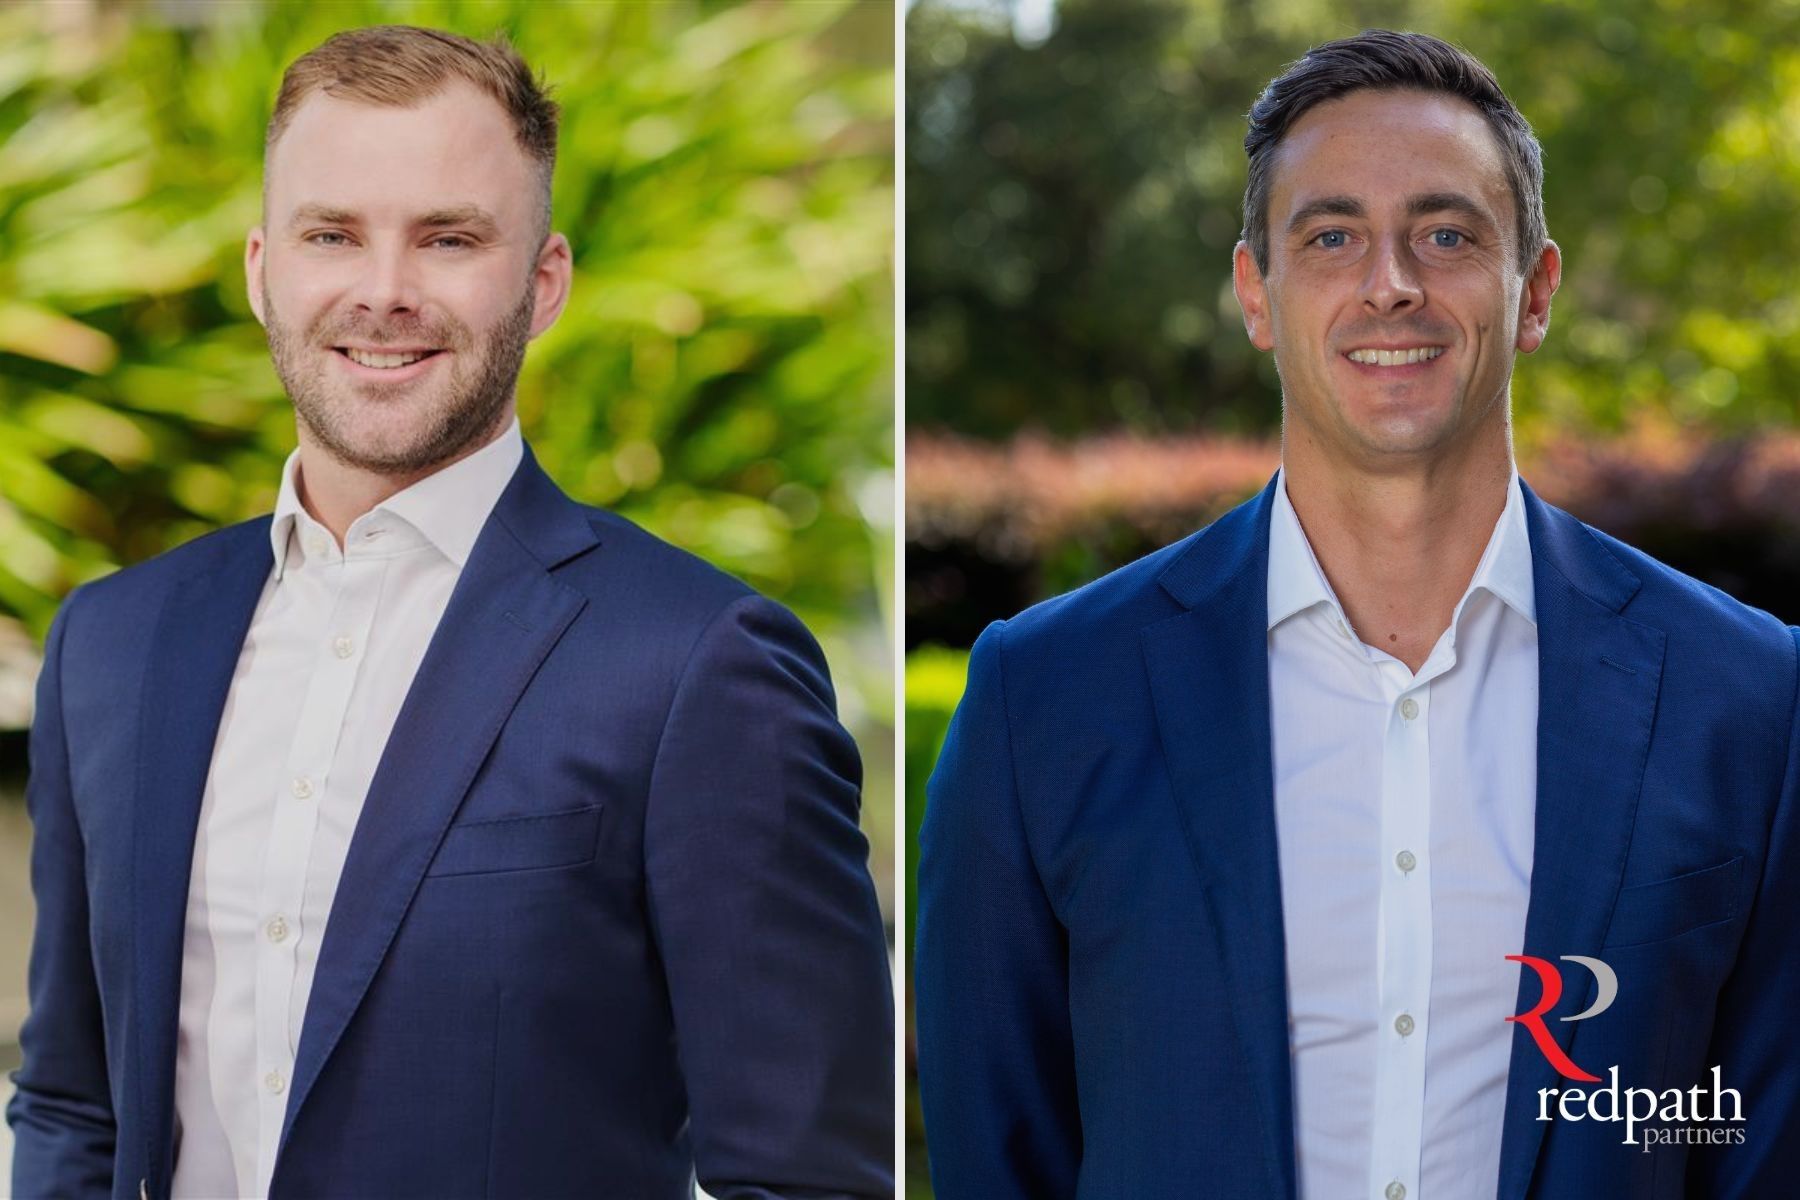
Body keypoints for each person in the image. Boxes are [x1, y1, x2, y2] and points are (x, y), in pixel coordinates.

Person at [7, 25, 893, 1200]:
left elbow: (806, 1177)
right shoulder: (110, 645)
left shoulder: (697, 664)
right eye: (333, 235)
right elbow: (74, 1100)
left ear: (544, 280)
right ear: (263, 266)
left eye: (449, 238)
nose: (384, 292)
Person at [915, 29, 1798, 1200]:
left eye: (1446, 234)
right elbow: (999, 1150)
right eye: (1331, 236)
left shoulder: (1748, 699)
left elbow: (1759, 1150)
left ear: (1532, 295)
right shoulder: (1046, 697)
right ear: (1256, 296)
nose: (1391, 281)